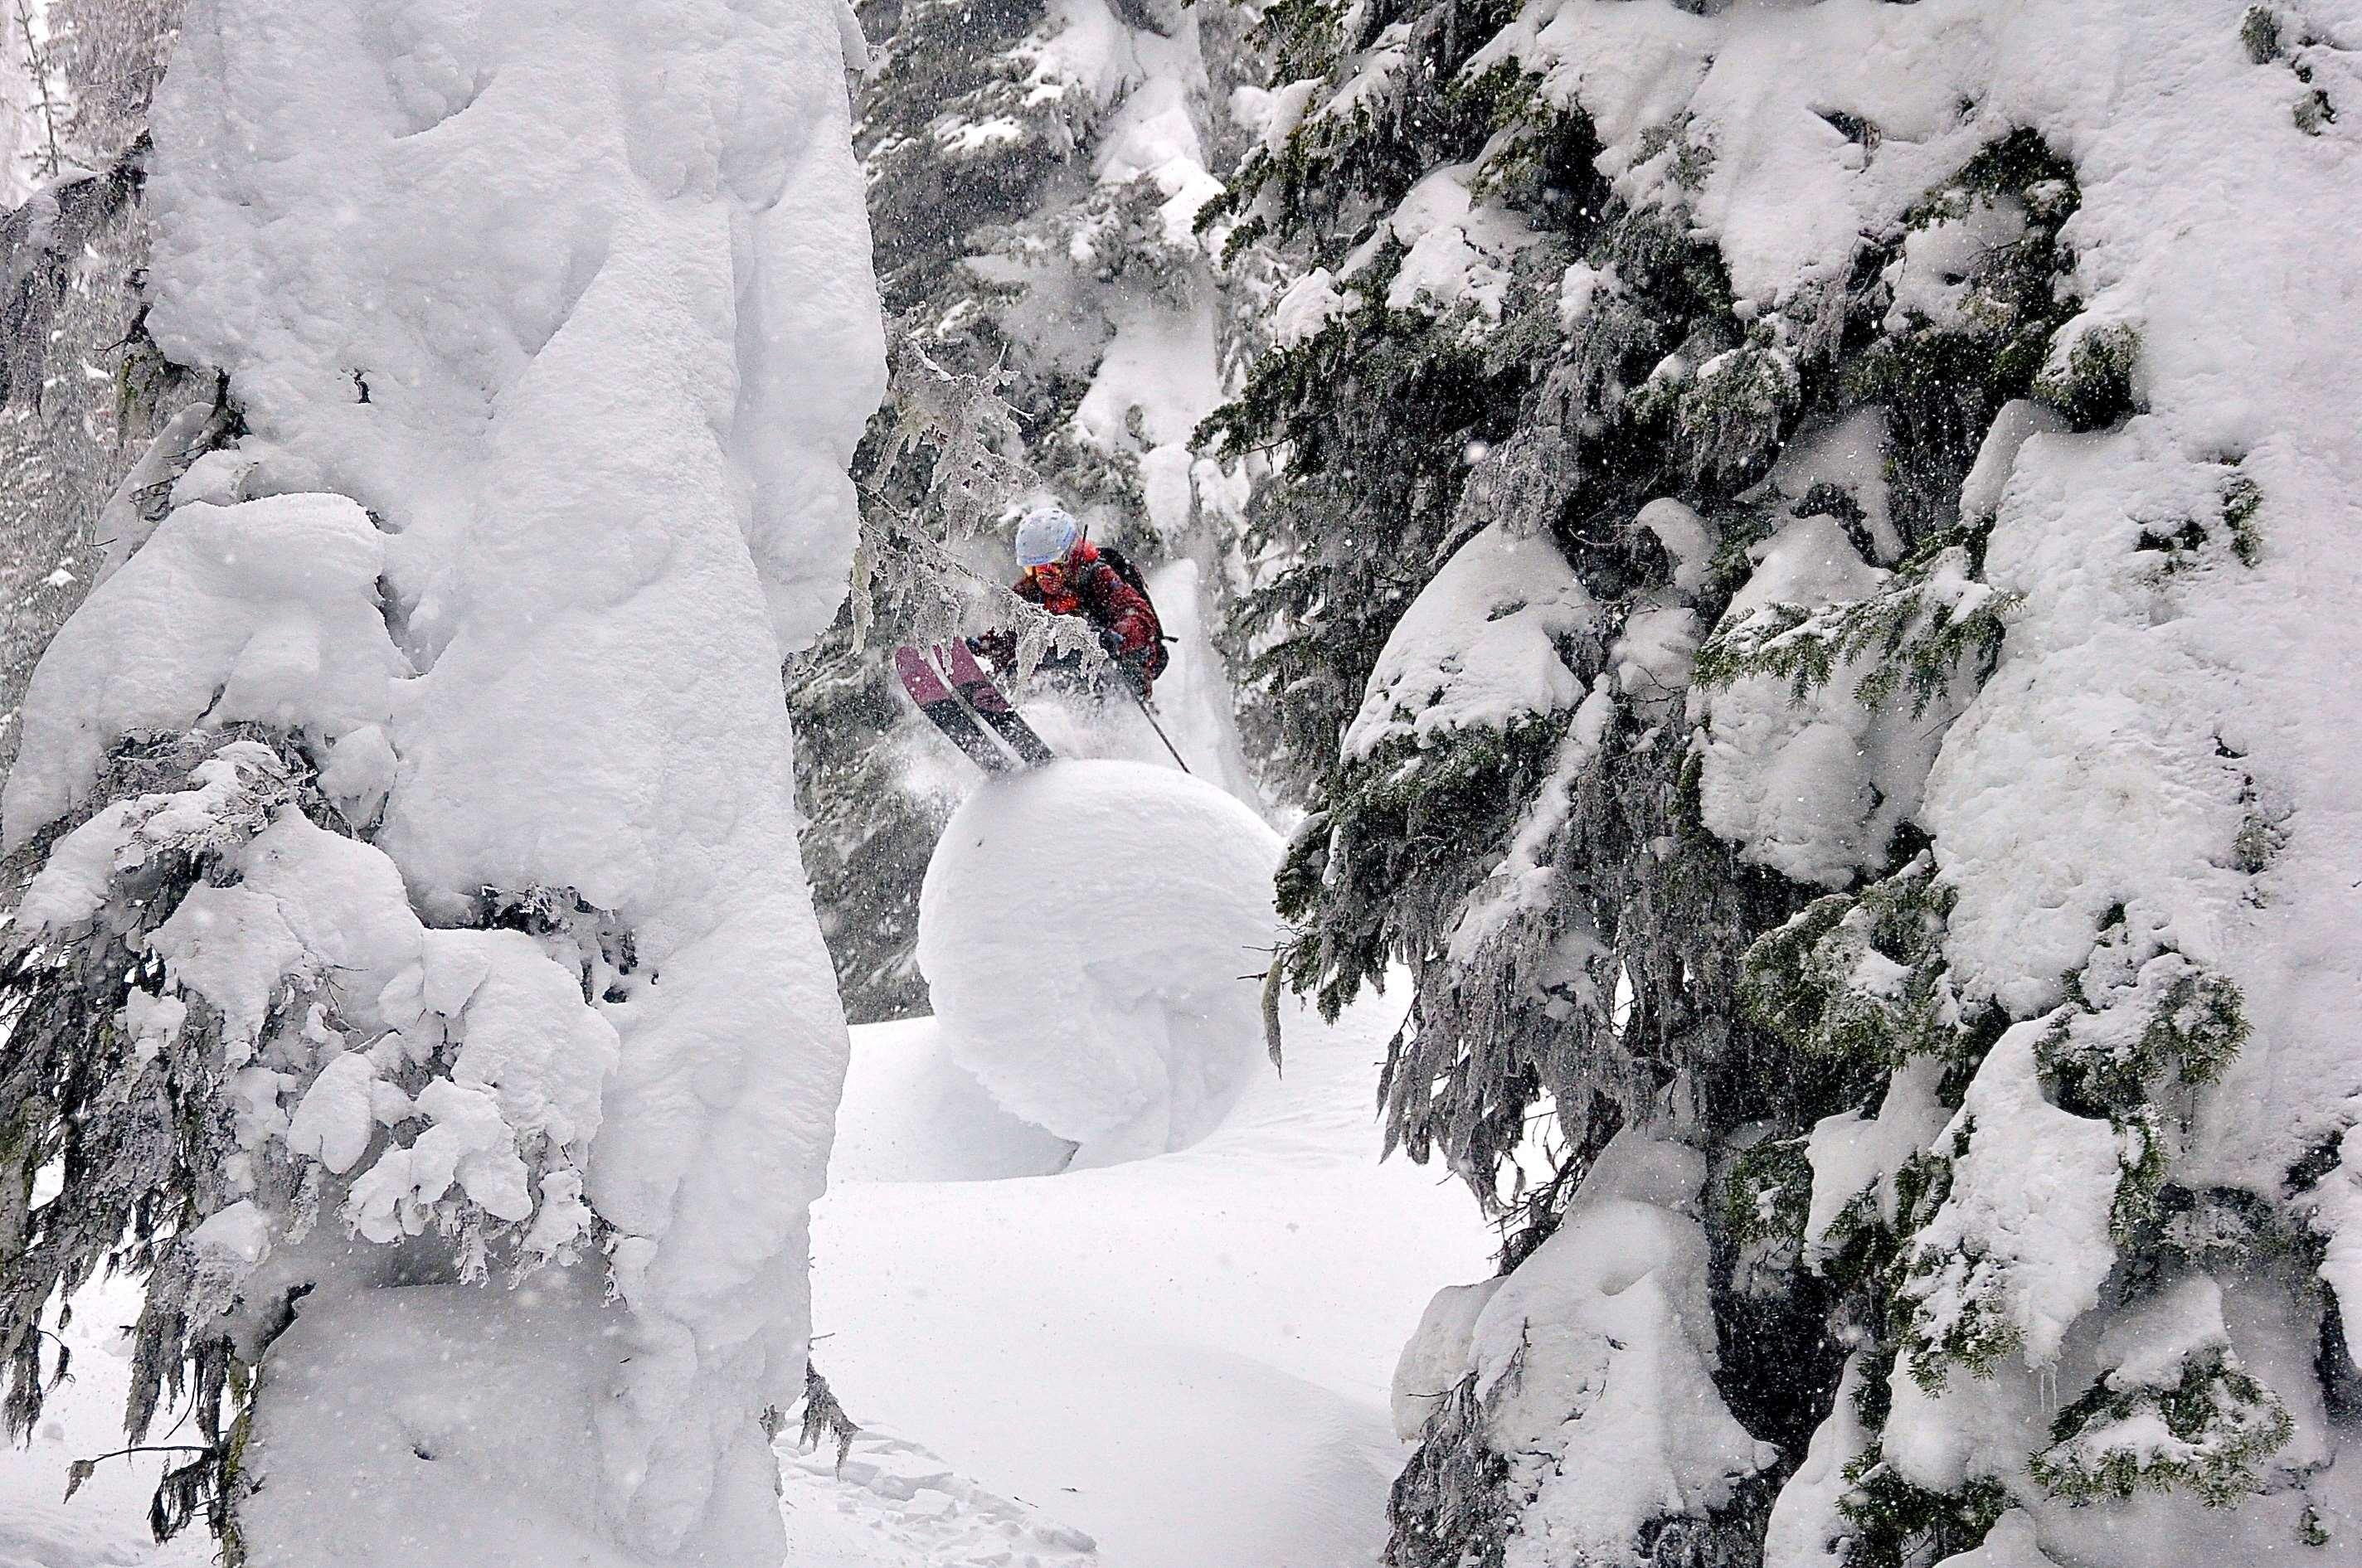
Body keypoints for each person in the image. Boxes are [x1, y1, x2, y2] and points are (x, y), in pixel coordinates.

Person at [981, 504, 1167, 697]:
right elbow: (1010, 632)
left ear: (1072, 556)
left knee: (1079, 662)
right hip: (1056, 677)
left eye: (1053, 566)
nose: (1045, 577)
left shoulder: (1099, 577)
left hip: (1107, 678)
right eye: (1034, 569)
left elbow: (1138, 616)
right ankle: (1018, 707)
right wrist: (983, 648)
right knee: (1023, 660)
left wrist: (1115, 637)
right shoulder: (1030, 590)